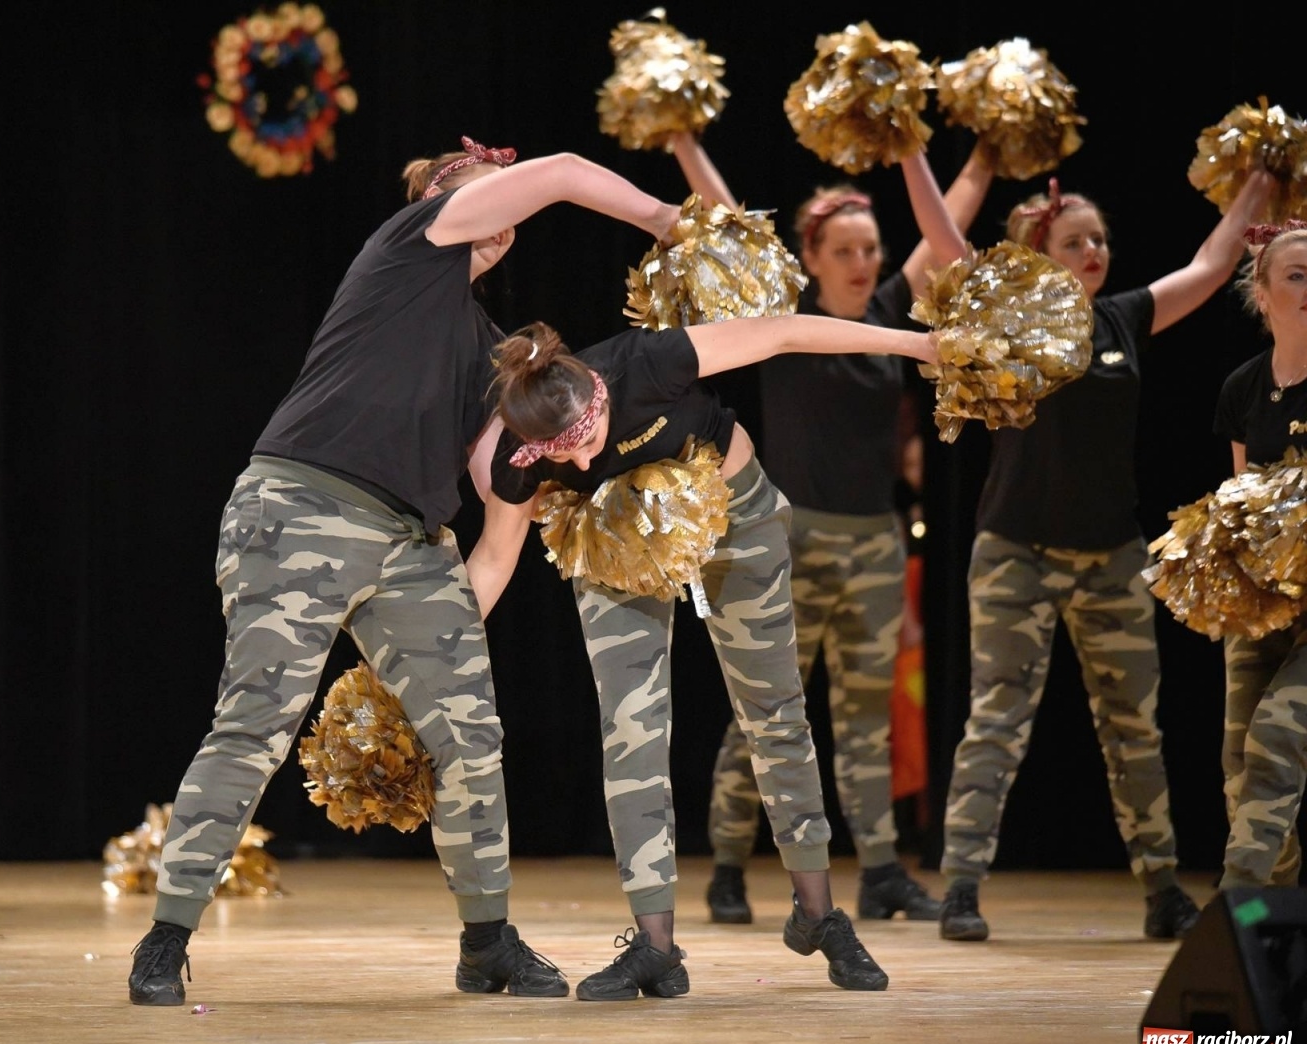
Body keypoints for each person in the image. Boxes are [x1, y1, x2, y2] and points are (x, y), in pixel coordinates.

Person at [125, 137, 683, 1006]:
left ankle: (487, 942)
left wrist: (457, 644)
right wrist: (670, 224)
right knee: (257, 727)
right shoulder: (411, 244)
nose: (502, 213)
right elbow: (568, 172)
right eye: (489, 191)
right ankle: (166, 937)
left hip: (412, 544)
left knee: (472, 735)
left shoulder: (497, 355)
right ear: (446, 198)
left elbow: (500, 527)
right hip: (299, 508)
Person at [466, 311, 941, 1000]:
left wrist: (917, 344)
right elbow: (493, 560)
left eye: (584, 442)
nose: (575, 462)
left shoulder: (648, 363)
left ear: (600, 396)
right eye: (556, 456)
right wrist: (432, 656)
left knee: (774, 711)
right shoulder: (523, 455)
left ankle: (820, 914)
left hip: (734, 517)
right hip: (612, 538)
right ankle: (656, 946)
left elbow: (785, 331)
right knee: (630, 727)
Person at [938, 165, 1279, 941]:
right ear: (1038, 250)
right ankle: (960, 886)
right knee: (997, 717)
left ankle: (1162, 888)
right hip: (1014, 551)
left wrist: (1259, 184)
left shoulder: (1123, 319)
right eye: (1074, 239)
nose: (1094, 250)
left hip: (1112, 555)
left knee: (1134, 725)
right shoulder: (1008, 320)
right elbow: (946, 249)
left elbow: (1211, 264)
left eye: (1100, 239)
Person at [671, 130, 996, 924]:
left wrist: (980, 159)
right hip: (789, 540)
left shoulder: (889, 312)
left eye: (871, 249)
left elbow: (941, 227)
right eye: (845, 251)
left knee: (864, 718)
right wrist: (682, 139)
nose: (862, 264)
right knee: (769, 709)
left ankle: (880, 868)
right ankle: (726, 864)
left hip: (874, 545)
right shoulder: (782, 315)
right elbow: (727, 217)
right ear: (811, 259)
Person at [1211, 219, 1307, 890]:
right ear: (1263, 293)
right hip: (1264, 604)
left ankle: (1236, 909)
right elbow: (1240, 499)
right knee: (1240, 762)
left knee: (1276, 740)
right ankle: (1278, 917)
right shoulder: (1243, 387)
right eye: (1296, 275)